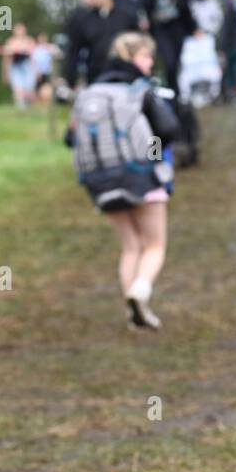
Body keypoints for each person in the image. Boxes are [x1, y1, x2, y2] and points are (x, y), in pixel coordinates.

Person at [71, 32, 180, 329]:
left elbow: (72, 138)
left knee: (131, 246)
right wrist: (154, 154)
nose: (150, 64)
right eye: (146, 57)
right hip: (140, 176)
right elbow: (169, 128)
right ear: (132, 57)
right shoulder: (140, 90)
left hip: (99, 179)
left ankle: (134, 315)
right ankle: (141, 290)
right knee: (154, 244)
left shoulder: (90, 92)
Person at [61, 0, 140, 90]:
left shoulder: (127, 16)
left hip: (126, 78)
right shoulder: (80, 19)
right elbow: (73, 51)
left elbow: (138, 47)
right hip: (95, 78)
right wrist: (70, 80)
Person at [144, 0, 196, 94]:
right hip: (161, 32)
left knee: (176, 62)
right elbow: (148, 11)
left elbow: (188, 15)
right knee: (169, 61)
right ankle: (173, 89)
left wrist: (194, 29)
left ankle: (175, 89)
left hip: (177, 33)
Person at [1, 23, 37, 108]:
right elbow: (6, 59)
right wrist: (5, 73)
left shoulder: (29, 41)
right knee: (18, 86)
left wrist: (36, 70)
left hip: (27, 66)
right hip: (15, 66)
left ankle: (28, 105)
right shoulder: (10, 42)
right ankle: (21, 107)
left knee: (29, 86)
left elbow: (33, 58)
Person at [31, 31, 59, 100]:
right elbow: (33, 61)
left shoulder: (50, 47)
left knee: (48, 89)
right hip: (38, 72)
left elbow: (58, 54)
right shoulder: (35, 48)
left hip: (48, 72)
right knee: (37, 89)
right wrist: (36, 71)